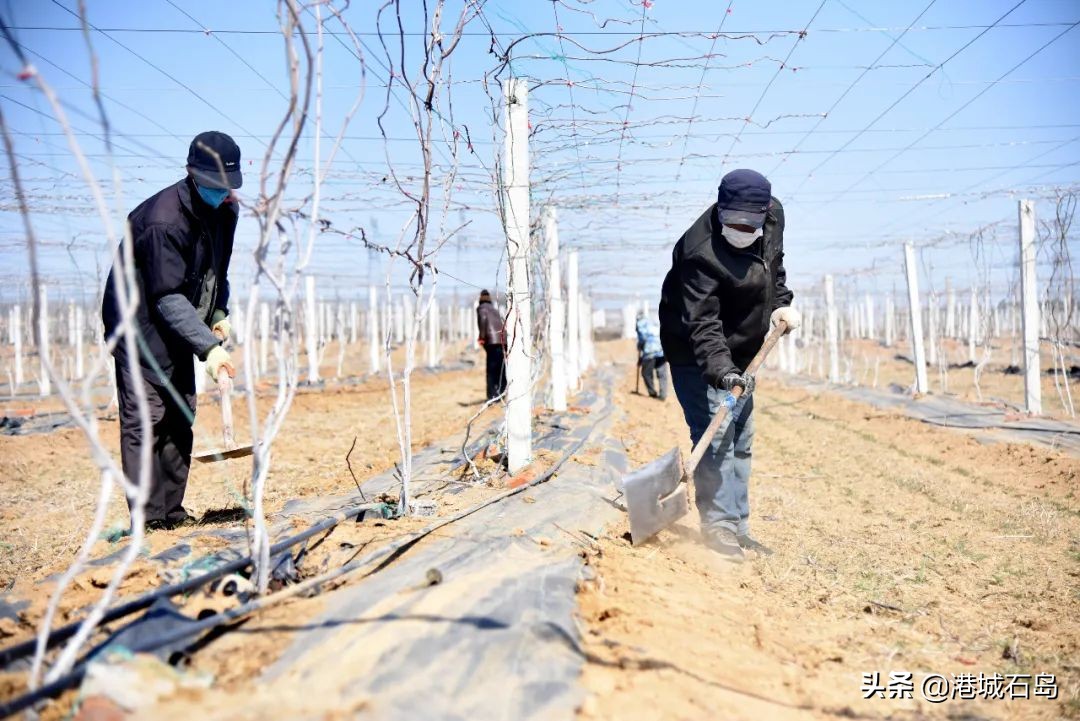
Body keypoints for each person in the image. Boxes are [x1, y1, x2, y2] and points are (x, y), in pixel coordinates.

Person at [101, 131, 242, 530]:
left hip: (180, 323)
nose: (223, 193)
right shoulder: (162, 221)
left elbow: (217, 270)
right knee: (147, 419)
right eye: (215, 185)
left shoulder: (226, 211)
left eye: (228, 186)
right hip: (138, 327)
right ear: (192, 174)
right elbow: (166, 297)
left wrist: (219, 309)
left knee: (180, 416)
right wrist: (209, 348)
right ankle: (148, 521)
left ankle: (172, 514)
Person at [658, 168, 800, 561]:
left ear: (764, 213)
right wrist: (723, 372)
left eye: (749, 223)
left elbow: (774, 266)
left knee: (741, 438)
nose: (740, 229)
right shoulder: (699, 252)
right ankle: (718, 525)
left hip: (743, 349)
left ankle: (738, 528)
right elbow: (702, 324)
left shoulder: (774, 217)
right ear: (720, 209)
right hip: (695, 350)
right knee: (717, 434)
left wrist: (781, 304)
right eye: (732, 221)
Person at [476, 289, 507, 400]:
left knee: (491, 370)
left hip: (492, 342)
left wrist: (481, 337)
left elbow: (483, 320)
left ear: (480, 298)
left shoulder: (481, 308)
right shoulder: (495, 309)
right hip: (503, 341)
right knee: (501, 369)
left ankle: (492, 396)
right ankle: (502, 393)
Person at [635, 311, 668, 400]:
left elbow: (642, 339)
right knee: (662, 374)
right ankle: (663, 395)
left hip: (650, 352)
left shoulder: (641, 324)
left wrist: (639, 346)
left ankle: (652, 393)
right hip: (661, 351)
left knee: (646, 373)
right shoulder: (653, 322)